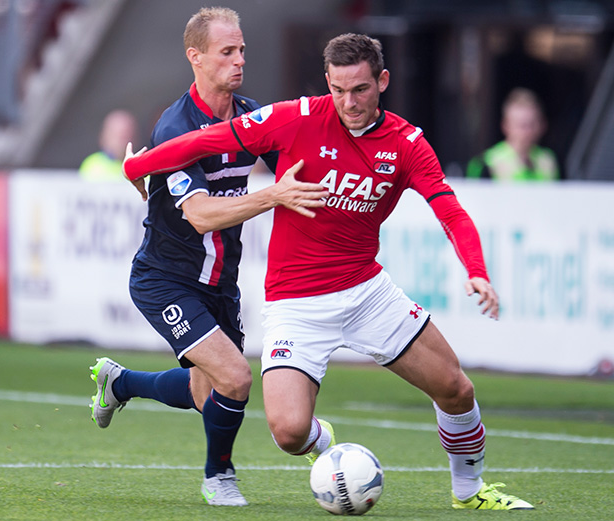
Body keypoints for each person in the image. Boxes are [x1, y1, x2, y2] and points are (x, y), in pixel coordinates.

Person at [122, 33, 535, 510]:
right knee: (290, 433)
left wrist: (477, 271)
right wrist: (140, 164)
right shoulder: (294, 118)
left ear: (382, 81)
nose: (348, 102)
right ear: (327, 83)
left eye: (359, 89)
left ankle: (470, 491)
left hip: (367, 292)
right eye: (338, 90)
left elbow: (451, 212)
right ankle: (320, 442)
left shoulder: (406, 143)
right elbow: (204, 140)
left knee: (456, 388)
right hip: (295, 303)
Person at [89, 7, 327, 507]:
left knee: (208, 393)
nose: (240, 60)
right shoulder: (178, 126)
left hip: (221, 281)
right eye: (227, 52)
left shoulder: (250, 115)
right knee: (236, 378)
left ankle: (121, 382)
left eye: (242, 50)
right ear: (195, 57)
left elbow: (297, 171)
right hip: (164, 277)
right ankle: (219, 476)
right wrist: (271, 196)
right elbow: (198, 215)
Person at [466, 87, 559, 181]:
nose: (528, 131)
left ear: (542, 126)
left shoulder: (548, 160)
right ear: (505, 126)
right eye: (522, 125)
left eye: (532, 125)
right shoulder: (487, 163)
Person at [80, 109, 139, 181]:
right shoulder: (92, 165)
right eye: (116, 135)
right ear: (104, 137)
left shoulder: (141, 166)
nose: (122, 141)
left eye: (126, 134)